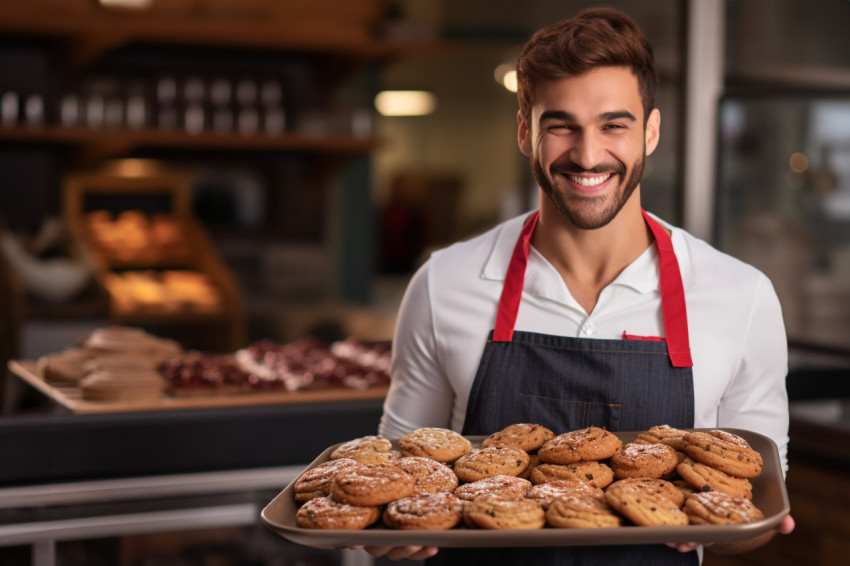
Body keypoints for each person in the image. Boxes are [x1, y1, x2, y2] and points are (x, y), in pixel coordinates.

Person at [364, 7, 795, 564]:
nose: (588, 155)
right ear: (525, 131)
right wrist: (390, 538)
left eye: (613, 125)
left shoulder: (741, 295)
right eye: (560, 124)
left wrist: (732, 527)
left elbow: (758, 502)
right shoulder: (442, 283)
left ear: (652, 131)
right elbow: (402, 479)